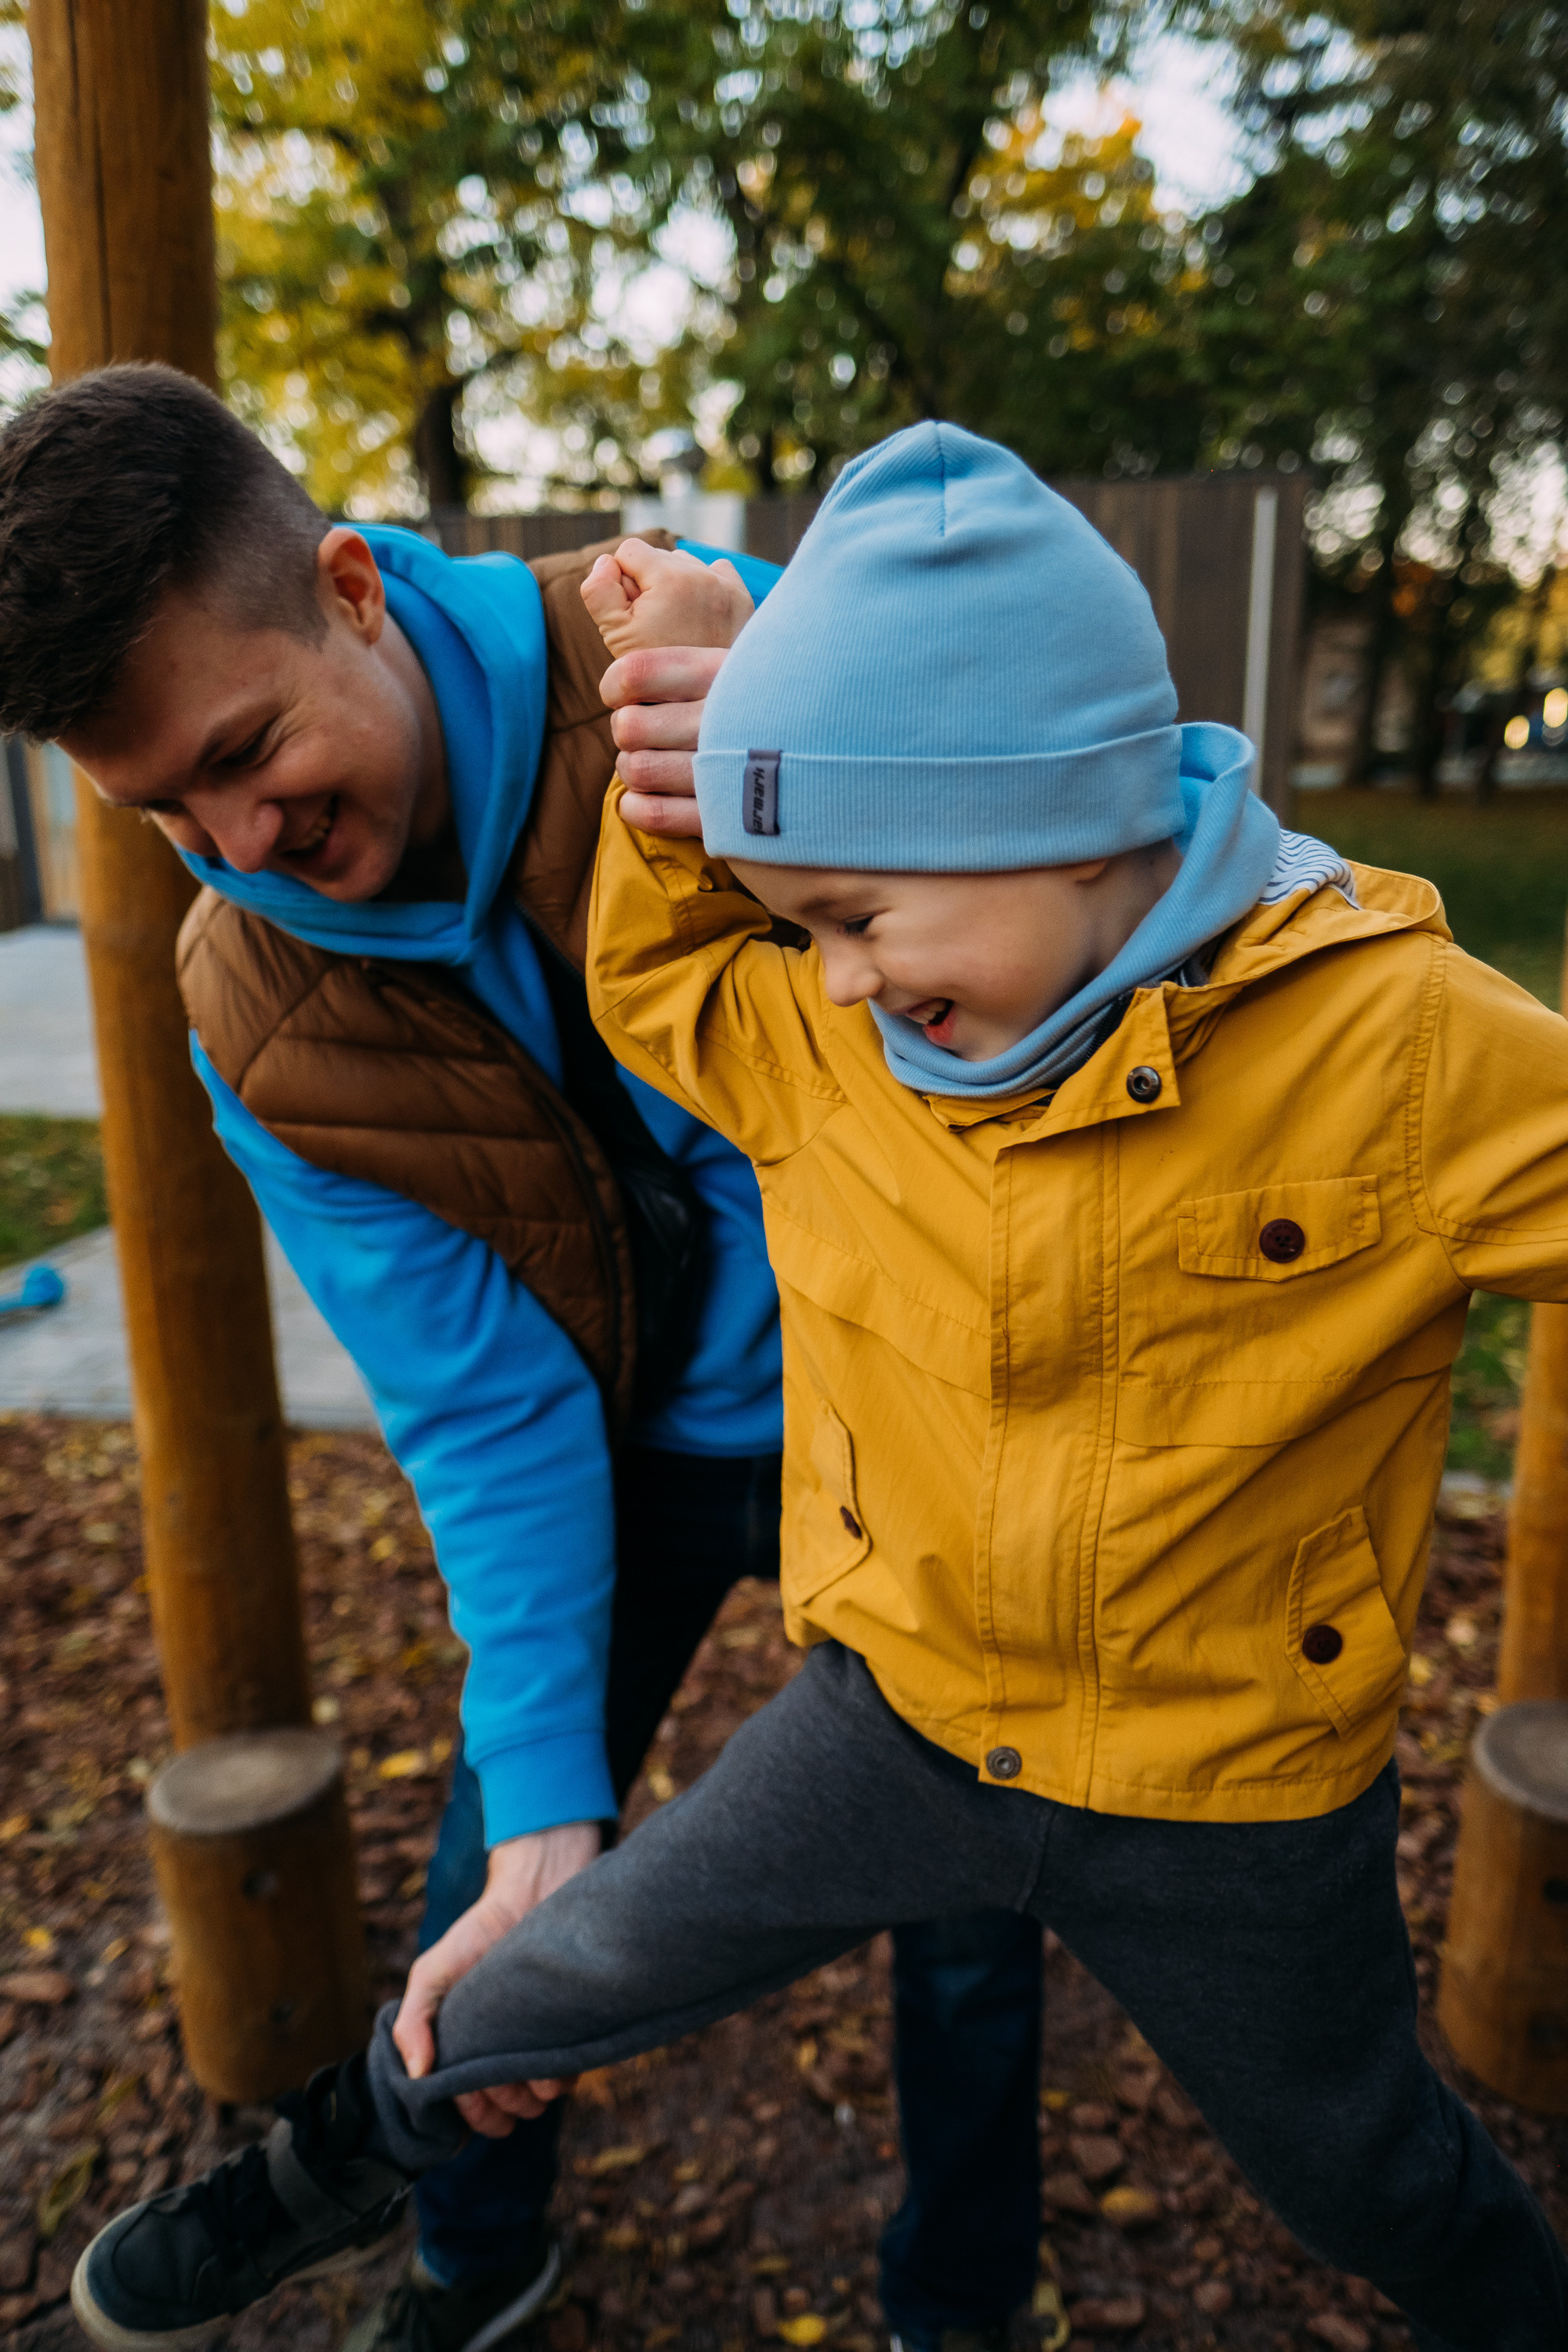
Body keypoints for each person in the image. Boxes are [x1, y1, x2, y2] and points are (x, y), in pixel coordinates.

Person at [71, 415, 1568, 2352]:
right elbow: (664, 980)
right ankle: (360, 2160)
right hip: (894, 1686)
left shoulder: (1383, 1037)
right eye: (166, 815)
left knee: (1340, 2162)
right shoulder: (802, 1025)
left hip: (1224, 1774)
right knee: (547, 1936)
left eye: (857, 920)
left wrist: (701, 663)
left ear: (1051, 811)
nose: (835, 978)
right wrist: (692, 766)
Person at [0, 372, 1051, 2352]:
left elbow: (1049, 920)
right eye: (168, 813)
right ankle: (476, 2260)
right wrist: (556, 1801)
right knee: (505, 1863)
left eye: (249, 748)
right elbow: (482, 1404)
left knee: (976, 1904)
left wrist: (806, 747)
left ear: (350, 587)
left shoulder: (693, 647)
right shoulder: (251, 1009)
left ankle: (963, 2301)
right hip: (630, 1437)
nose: (245, 840)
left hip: (916, 1415)